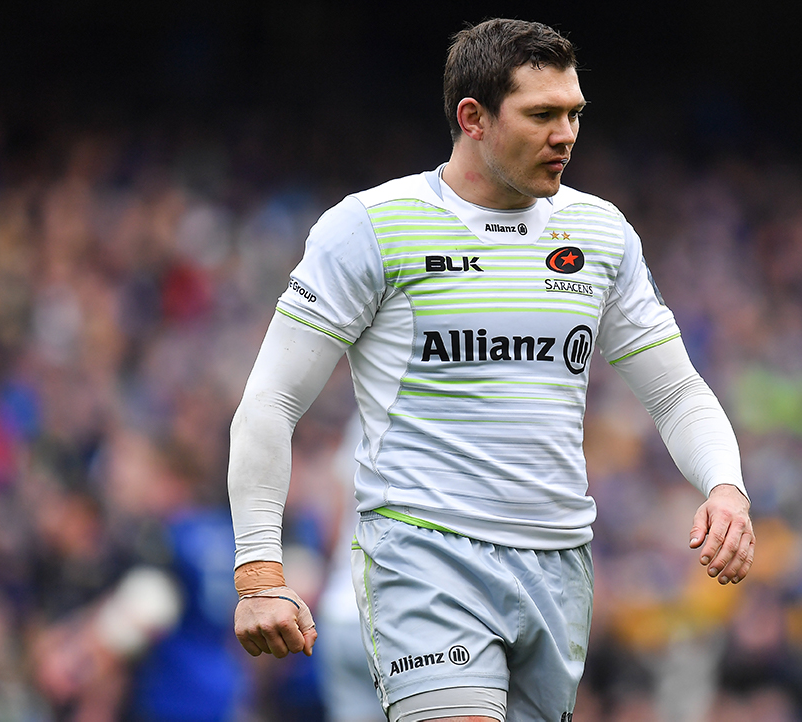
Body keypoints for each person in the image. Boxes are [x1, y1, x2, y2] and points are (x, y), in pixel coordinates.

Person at [227, 18, 754, 722]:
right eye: (541, 115)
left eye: (572, 114)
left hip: (558, 563)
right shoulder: (372, 226)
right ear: (472, 118)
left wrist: (725, 488)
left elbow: (676, 391)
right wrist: (259, 571)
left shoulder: (600, 233)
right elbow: (270, 401)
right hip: (424, 554)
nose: (564, 134)